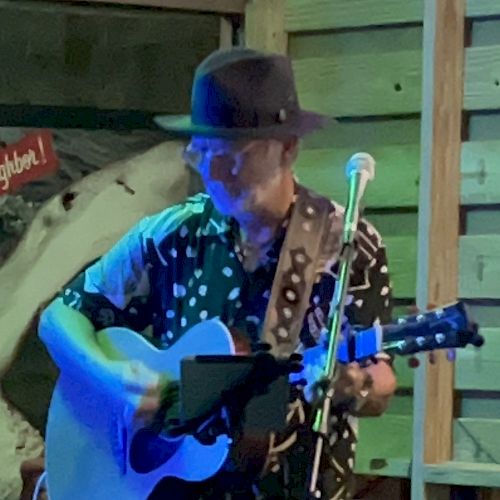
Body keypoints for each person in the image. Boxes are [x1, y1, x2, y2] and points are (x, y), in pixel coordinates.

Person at [39, 47, 396, 500]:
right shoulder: (171, 234)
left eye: (232, 153)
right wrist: (116, 379)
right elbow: (61, 318)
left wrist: (354, 387)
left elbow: (379, 378)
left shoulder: (346, 244)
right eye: (203, 151)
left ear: (288, 148)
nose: (212, 170)